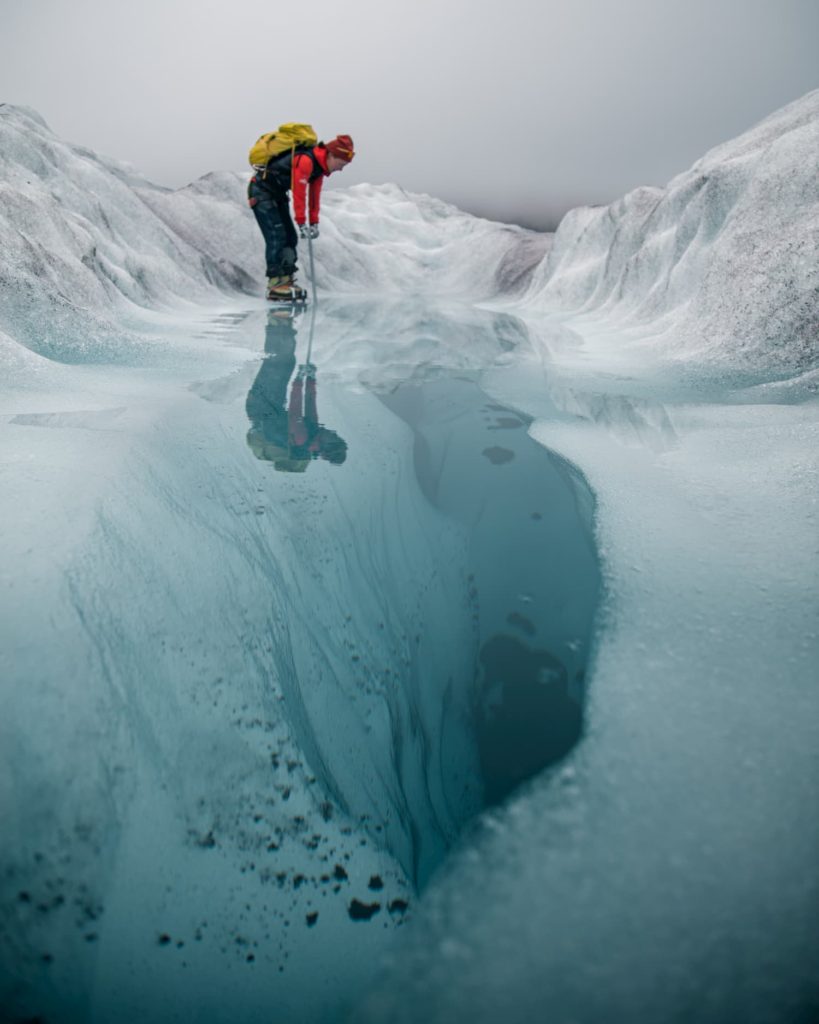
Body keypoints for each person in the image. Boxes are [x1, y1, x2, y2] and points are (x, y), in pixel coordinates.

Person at [247, 134, 355, 301]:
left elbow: (314, 196)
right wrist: (301, 222)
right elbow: (299, 192)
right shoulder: (306, 160)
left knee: (290, 236)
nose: (340, 169)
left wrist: (314, 222)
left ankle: (286, 280)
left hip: (276, 194)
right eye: (340, 164)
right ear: (331, 155)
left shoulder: (319, 168)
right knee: (277, 236)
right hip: (261, 192)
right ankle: (275, 283)